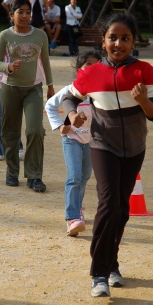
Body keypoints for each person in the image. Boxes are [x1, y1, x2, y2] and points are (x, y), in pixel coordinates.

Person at [63, 11, 153, 297]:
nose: (118, 43)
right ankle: (99, 274)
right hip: (102, 143)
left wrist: (143, 100)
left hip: (134, 147)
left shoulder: (144, 70)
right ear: (103, 41)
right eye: (112, 38)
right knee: (108, 204)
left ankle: (113, 263)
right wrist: (72, 114)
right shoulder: (92, 72)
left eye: (125, 38)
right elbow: (69, 96)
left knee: (121, 209)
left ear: (133, 42)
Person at [0, 0, 54, 191]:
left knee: (35, 130)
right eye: (21, 12)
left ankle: (34, 176)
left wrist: (50, 85)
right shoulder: (4, 35)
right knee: (10, 132)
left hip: (33, 88)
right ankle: (12, 172)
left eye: (28, 12)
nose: (25, 16)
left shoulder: (40, 36)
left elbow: (45, 62)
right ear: (12, 15)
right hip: (10, 88)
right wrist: (9, 67)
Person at [45, 51, 101, 236]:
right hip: (72, 140)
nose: (93, 69)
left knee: (84, 177)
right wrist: (59, 125)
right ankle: (72, 217)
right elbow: (50, 106)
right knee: (74, 176)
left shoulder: (101, 93)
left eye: (97, 65)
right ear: (79, 71)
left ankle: (78, 207)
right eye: (88, 65)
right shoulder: (70, 90)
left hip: (91, 142)